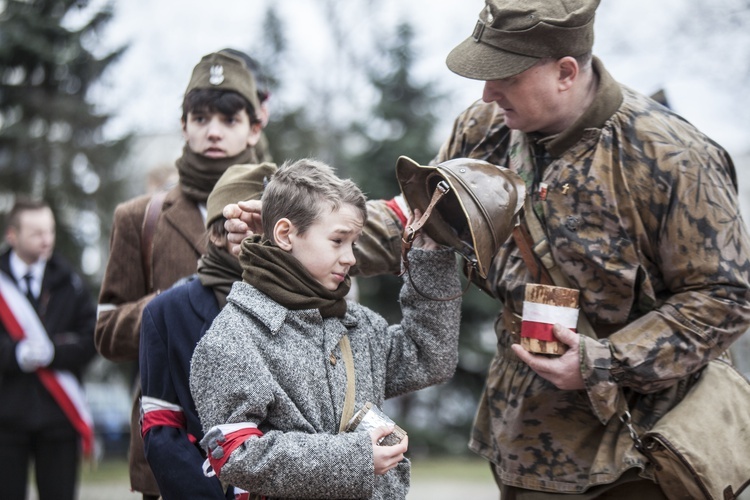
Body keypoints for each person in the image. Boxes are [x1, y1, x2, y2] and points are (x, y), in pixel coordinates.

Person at [225, 1, 750, 497]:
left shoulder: (671, 158)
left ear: (566, 71)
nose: (486, 94)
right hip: (526, 441)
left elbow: (724, 296)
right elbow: (417, 220)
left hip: (644, 450)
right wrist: (299, 238)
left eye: (507, 76)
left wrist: (606, 360)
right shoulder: (482, 132)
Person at [189, 159, 462, 499]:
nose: (350, 258)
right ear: (286, 234)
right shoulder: (234, 336)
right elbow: (233, 454)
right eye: (338, 240)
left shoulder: (358, 324)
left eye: (354, 243)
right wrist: (355, 458)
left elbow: (427, 358)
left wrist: (432, 255)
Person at [95, 49, 272, 499]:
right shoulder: (140, 217)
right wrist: (168, 304)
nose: (212, 130)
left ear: (256, 124)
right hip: (170, 441)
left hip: (268, 441)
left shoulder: (285, 209)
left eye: (229, 120)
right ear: (184, 124)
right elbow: (108, 333)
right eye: (200, 117)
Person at [139, 162, 276, 499]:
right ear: (217, 233)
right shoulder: (167, 312)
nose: (264, 238)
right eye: (250, 225)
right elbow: (162, 426)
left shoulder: (299, 302)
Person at [0, 198, 97, 500]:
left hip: (58, 418)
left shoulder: (70, 282)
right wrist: (14, 354)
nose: (47, 240)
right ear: (12, 235)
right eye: (36, 233)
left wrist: (53, 353)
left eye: (50, 231)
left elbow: (91, 338)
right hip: (5, 418)